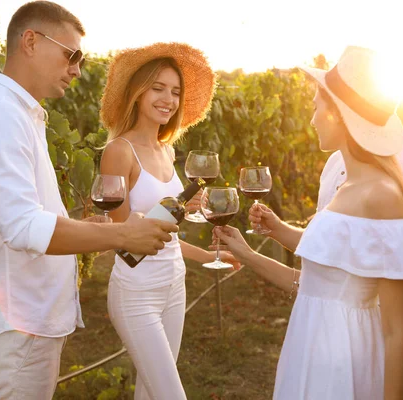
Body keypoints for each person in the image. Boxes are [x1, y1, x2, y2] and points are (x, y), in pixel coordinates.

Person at [0, 2, 177, 398]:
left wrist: (90, 227)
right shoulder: (1, 116)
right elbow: (23, 227)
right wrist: (123, 235)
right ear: (30, 41)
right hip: (19, 323)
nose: (76, 69)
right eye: (70, 55)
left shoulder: (22, 116)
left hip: (29, 321)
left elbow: (28, 214)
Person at [213, 46, 403, 399]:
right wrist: (247, 251)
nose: (312, 119)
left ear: (338, 115)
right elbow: (309, 285)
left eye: (316, 107)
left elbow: (398, 332)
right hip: (309, 348)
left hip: (344, 363)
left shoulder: (381, 195)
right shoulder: (345, 184)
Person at [99, 42, 239, 399]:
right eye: (158, 88)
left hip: (175, 284)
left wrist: (204, 250)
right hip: (136, 291)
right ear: (137, 93)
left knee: (150, 392)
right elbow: (125, 239)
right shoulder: (119, 151)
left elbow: (166, 231)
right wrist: (170, 212)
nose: (169, 99)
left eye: (175, 91)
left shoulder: (167, 149)